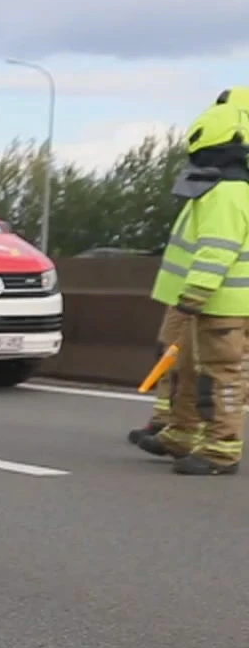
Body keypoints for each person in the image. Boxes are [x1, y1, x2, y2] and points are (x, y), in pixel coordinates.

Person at [133, 88, 249, 476]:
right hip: (210, 303)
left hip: (221, 304)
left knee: (218, 379)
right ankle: (182, 435)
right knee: (187, 370)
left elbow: (217, 250)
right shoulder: (221, 190)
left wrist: (193, 296)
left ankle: (221, 450)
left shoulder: (227, 194)